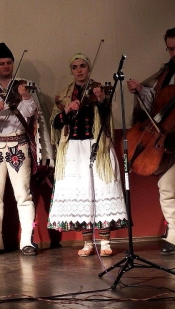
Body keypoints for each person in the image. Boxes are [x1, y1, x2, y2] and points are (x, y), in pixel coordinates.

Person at [0, 43, 52, 256]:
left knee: (23, 195)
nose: (6, 66)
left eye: (9, 63)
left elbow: (30, 114)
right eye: (1, 63)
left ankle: (26, 240)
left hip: (19, 145)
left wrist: (25, 97)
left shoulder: (25, 87)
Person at [47, 53, 128, 257]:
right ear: (71, 70)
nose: (79, 70)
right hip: (73, 148)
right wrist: (66, 110)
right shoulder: (64, 95)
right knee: (81, 192)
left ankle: (105, 241)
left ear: (88, 68)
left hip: (96, 146)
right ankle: (87, 242)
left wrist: (101, 100)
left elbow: (107, 117)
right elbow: (56, 124)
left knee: (100, 189)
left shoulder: (98, 90)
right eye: (75, 67)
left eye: (83, 66)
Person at [127, 27, 175, 255]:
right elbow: (156, 101)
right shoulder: (166, 73)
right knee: (166, 186)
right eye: (170, 49)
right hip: (168, 141)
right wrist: (141, 90)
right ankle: (174, 236)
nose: (173, 53)